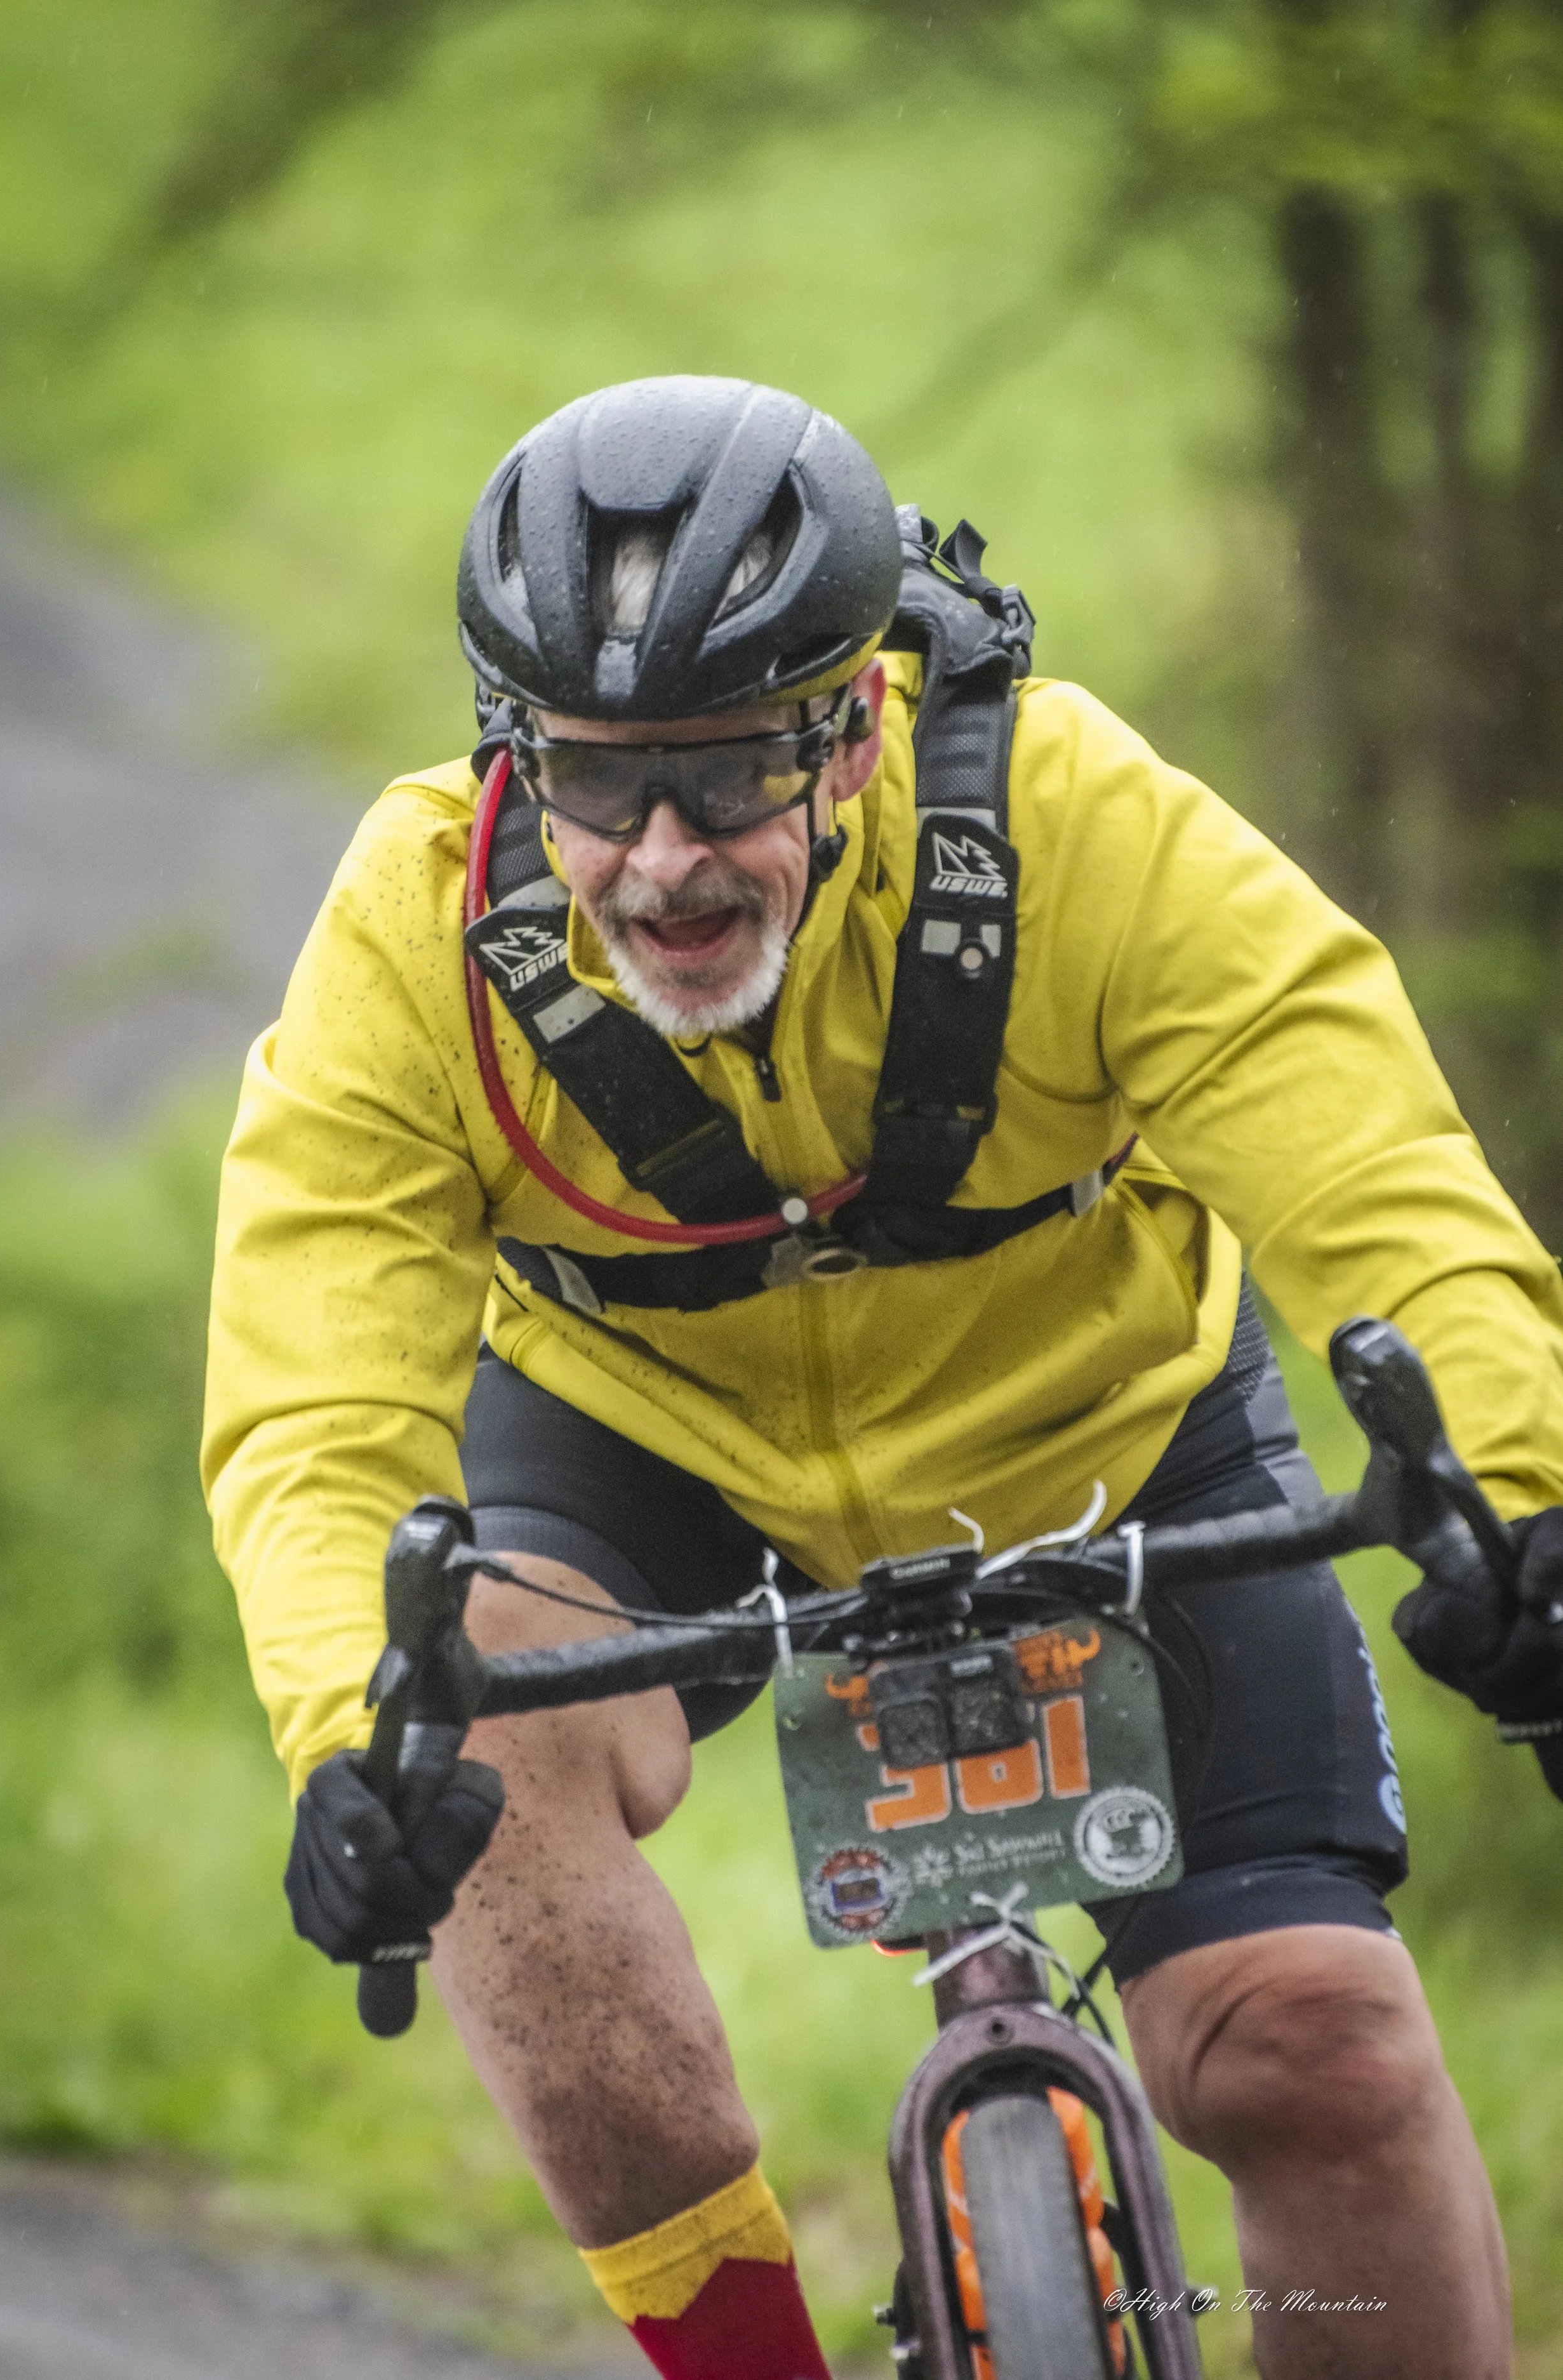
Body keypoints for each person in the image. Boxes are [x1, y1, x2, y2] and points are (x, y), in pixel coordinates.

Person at [203, 375, 1563, 2380]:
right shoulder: (417, 934)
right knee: (476, 1785)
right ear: (519, 754)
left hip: (1105, 1433)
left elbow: (1382, 1187)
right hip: (638, 1433)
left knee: (1312, 2046)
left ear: (851, 725)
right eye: (594, 784)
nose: (662, 858)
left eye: (731, 769)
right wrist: (350, 1739)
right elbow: (314, 1394)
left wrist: (1525, 1503)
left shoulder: (1077, 826)